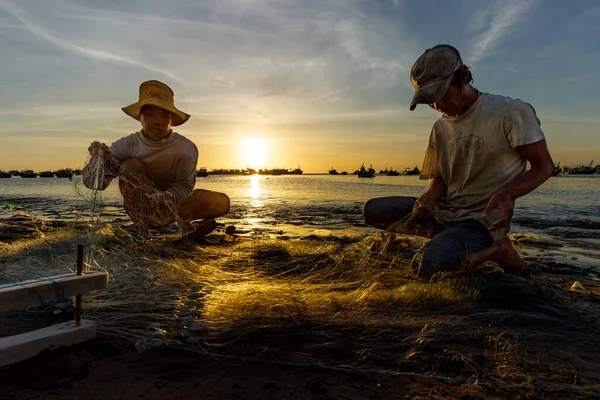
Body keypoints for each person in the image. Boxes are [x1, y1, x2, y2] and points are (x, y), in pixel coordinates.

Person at [364, 44, 554, 277]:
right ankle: (449, 243)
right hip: (445, 212)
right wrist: (429, 198)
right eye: (429, 101)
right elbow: (441, 176)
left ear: (463, 76)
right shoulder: (439, 128)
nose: (436, 106)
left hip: (481, 220)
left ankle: (498, 250)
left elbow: (544, 165)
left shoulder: (510, 112)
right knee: (373, 211)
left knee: (427, 265)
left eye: (440, 95)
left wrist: (509, 193)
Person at [82, 80, 230, 243]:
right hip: (142, 208)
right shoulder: (126, 145)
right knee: (131, 165)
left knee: (222, 202)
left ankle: (187, 226)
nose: (157, 120)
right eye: (150, 112)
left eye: (164, 114)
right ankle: (142, 228)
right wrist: (97, 160)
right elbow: (95, 184)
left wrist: (167, 196)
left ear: (172, 120)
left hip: (173, 205)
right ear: (140, 117)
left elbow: (184, 186)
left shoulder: (186, 148)